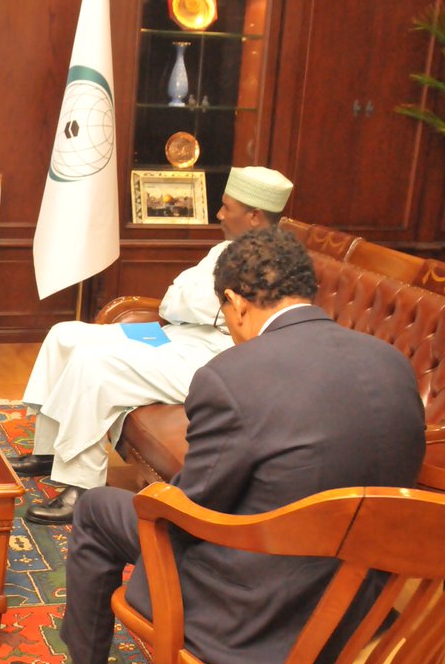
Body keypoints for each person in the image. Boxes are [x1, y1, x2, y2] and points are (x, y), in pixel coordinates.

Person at [7, 226, 426, 664]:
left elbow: (187, 516)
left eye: (225, 316)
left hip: (256, 623)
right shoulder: (392, 364)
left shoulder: (232, 376)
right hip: (362, 610)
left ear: (235, 301)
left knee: (99, 508)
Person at [17, 166, 294, 524]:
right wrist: (186, 301)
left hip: (213, 357)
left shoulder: (270, 262)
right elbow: (175, 300)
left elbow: (194, 304)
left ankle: (81, 486)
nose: (219, 214)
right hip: (179, 335)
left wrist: (186, 301)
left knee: (93, 363)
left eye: (228, 207)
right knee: (64, 334)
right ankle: (48, 453)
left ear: (255, 216)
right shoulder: (226, 248)